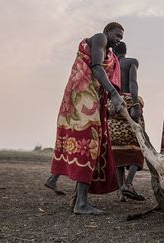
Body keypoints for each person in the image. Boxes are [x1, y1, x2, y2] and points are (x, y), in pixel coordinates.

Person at [45, 22, 126, 215]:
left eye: (121, 38)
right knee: (88, 144)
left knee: (91, 145)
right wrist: (114, 94)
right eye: (117, 35)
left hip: (90, 99)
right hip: (81, 96)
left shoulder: (111, 55)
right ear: (107, 32)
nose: (118, 39)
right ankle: (81, 203)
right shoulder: (100, 38)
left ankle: (78, 199)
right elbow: (96, 67)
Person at [111, 41, 145, 201]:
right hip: (128, 105)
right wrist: (136, 104)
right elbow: (133, 83)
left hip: (113, 107)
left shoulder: (110, 64)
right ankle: (128, 184)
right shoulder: (131, 62)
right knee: (137, 147)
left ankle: (120, 190)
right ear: (125, 51)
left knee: (118, 148)